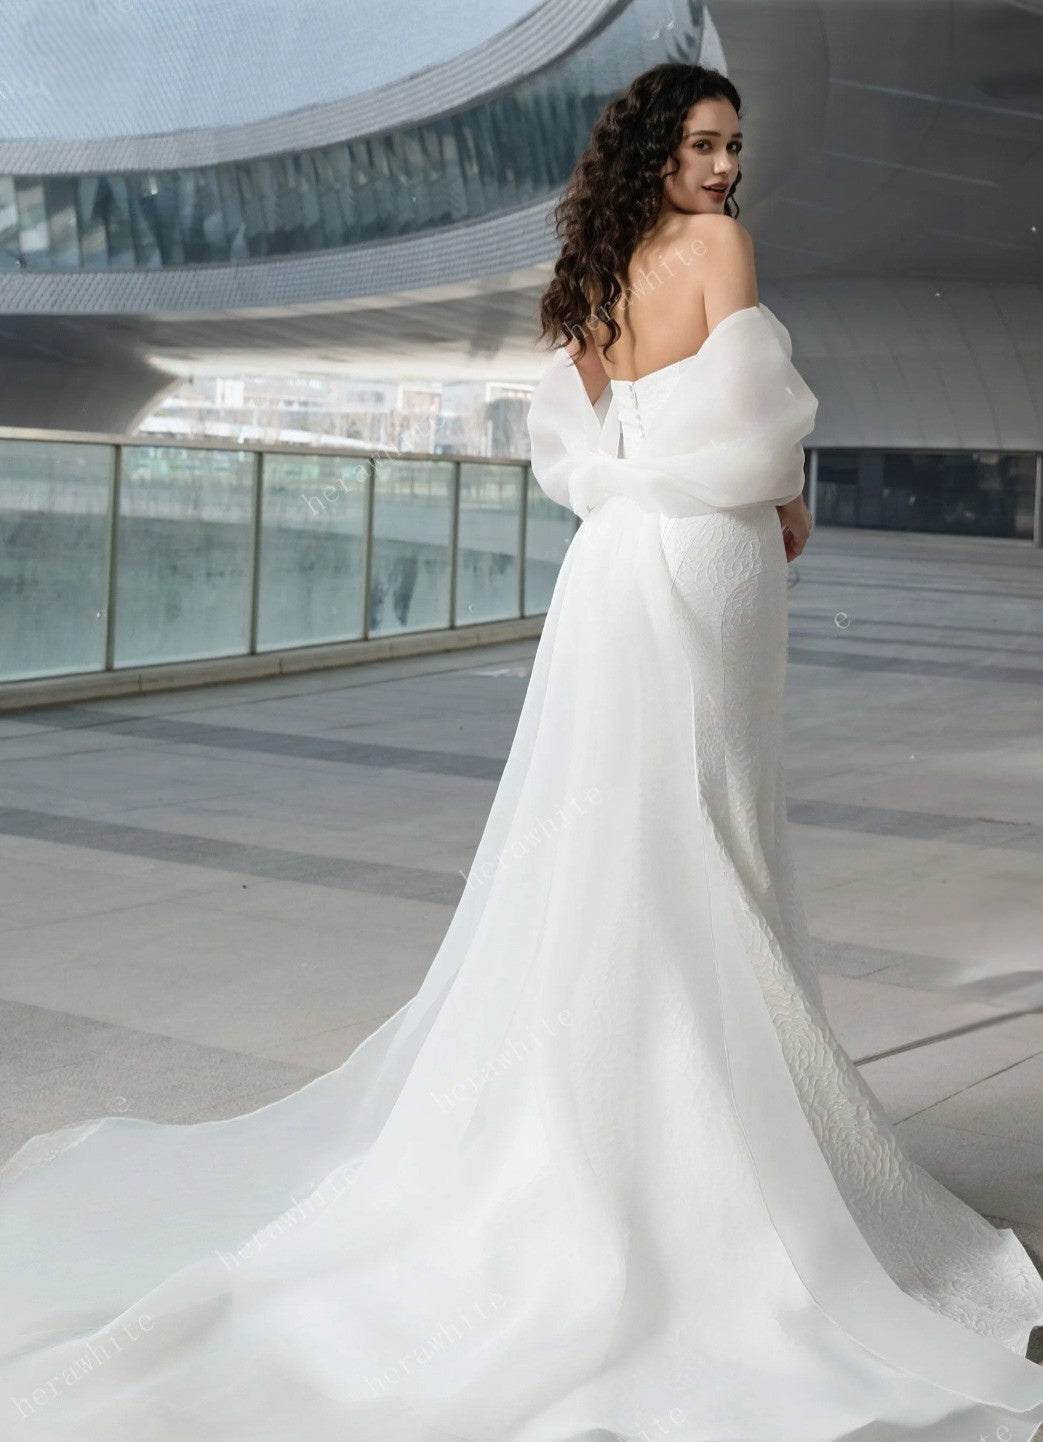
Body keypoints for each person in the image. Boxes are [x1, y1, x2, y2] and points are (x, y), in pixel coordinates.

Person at [1, 61, 1042, 1442]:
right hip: (706, 557)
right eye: (707, 145)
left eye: (736, 148)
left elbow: (603, 423)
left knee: (614, 844)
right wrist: (791, 495)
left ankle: (608, 1126)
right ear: (660, 151)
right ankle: (699, 1151)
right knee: (708, 835)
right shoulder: (721, 248)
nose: (728, 171)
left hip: (611, 570)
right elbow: (751, 415)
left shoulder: (599, 261)